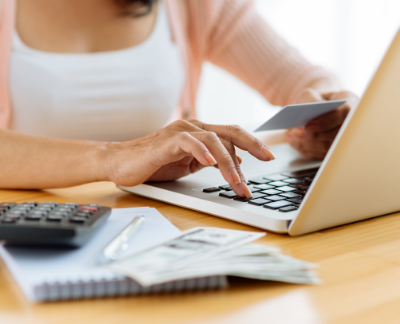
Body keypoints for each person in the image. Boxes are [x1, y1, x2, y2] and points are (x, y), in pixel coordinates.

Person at [0, 0, 356, 198]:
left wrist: (328, 111)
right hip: (34, 220)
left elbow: (306, 79)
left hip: (155, 218)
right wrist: (111, 158)